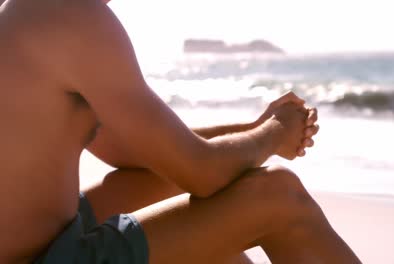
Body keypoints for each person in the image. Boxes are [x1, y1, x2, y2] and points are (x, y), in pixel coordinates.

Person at [0, 0, 361, 263]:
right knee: (280, 196)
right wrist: (274, 133)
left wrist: (251, 130)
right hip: (41, 258)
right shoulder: (68, 14)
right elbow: (201, 173)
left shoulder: (23, 13)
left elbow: (134, 152)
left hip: (43, 239)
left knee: (156, 183)